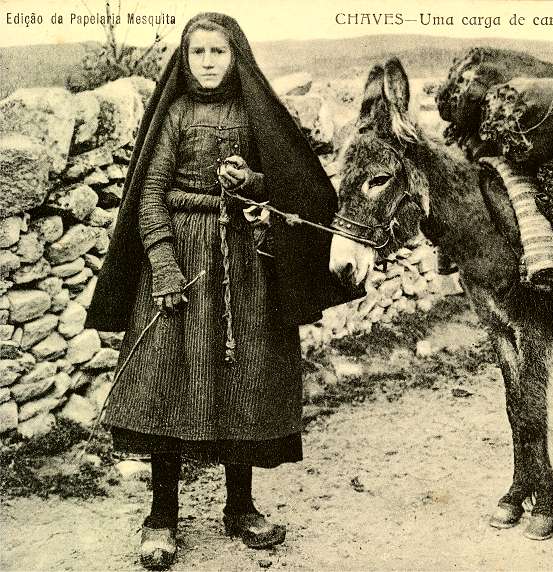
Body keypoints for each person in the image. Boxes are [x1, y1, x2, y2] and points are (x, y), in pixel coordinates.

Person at [84, 12, 358, 570]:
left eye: (218, 52)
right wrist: (164, 267)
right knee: (166, 382)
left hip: (245, 269)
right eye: (198, 52)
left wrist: (251, 182)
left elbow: (291, 185)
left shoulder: (254, 112)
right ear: (184, 59)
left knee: (244, 380)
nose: (207, 62)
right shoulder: (176, 114)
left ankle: (241, 507)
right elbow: (150, 195)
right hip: (181, 265)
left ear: (237, 57)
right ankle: (162, 515)